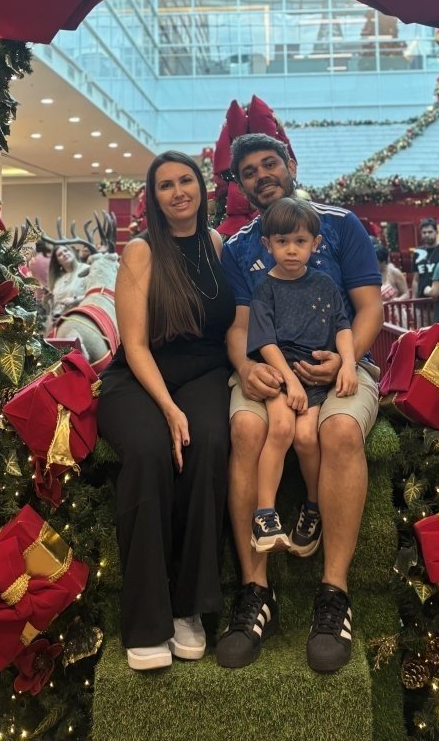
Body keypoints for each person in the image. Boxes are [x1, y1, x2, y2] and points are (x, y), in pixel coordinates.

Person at [217, 135, 383, 674]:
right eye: (249, 171)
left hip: (340, 367)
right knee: (246, 429)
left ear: (290, 164)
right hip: (269, 370)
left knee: (339, 432)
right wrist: (247, 369)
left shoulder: (340, 225)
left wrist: (344, 361)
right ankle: (255, 590)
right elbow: (240, 326)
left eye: (270, 164)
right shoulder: (240, 248)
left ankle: (334, 593)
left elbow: (368, 308)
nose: (261, 175)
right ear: (240, 185)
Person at [96, 152, 235, 672]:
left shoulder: (216, 244)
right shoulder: (141, 251)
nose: (178, 192)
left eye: (185, 181)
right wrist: (170, 409)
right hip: (140, 376)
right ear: (152, 198)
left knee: (210, 443)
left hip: (205, 373)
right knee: (150, 450)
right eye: (165, 185)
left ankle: (188, 609)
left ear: (201, 187)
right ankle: (146, 622)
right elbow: (133, 345)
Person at [247, 198, 357, 555]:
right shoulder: (265, 288)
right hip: (281, 374)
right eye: (282, 242)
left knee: (307, 436)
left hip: (316, 375)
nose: (291, 250)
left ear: (315, 243)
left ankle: (313, 507)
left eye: (300, 241)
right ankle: (264, 515)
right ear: (268, 244)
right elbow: (265, 342)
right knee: (281, 428)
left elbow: (342, 326)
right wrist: (290, 381)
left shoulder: (324, 284)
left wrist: (348, 364)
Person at [47, 243, 91, 324]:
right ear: (58, 261)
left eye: (66, 250)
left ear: (72, 252)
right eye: (60, 254)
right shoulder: (58, 279)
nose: (64, 254)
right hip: (59, 321)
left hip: (81, 319)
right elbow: (52, 306)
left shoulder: (87, 270)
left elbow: (95, 295)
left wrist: (75, 300)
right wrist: (46, 301)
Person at [412, 218, 439, 298]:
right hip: (421, 299)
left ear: (436, 232)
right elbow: (416, 279)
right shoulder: (418, 252)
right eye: (424, 232)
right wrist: (413, 299)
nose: (427, 235)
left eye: (430, 232)